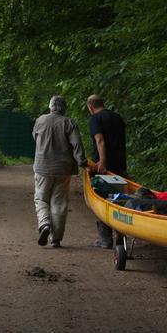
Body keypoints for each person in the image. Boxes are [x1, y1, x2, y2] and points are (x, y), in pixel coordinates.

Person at [32, 95, 88, 248]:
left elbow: (35, 139)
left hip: (42, 168)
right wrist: (82, 161)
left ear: (50, 107)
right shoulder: (68, 122)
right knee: (59, 203)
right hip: (63, 169)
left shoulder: (40, 120)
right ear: (64, 108)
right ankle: (56, 238)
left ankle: (44, 225)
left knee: (41, 199)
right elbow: (77, 144)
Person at [86, 94, 127, 249]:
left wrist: (102, 162)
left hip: (105, 169)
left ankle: (106, 240)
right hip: (120, 166)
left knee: (102, 201)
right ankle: (121, 238)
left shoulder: (95, 119)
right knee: (119, 201)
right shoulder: (117, 117)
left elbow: (100, 140)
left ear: (90, 107)